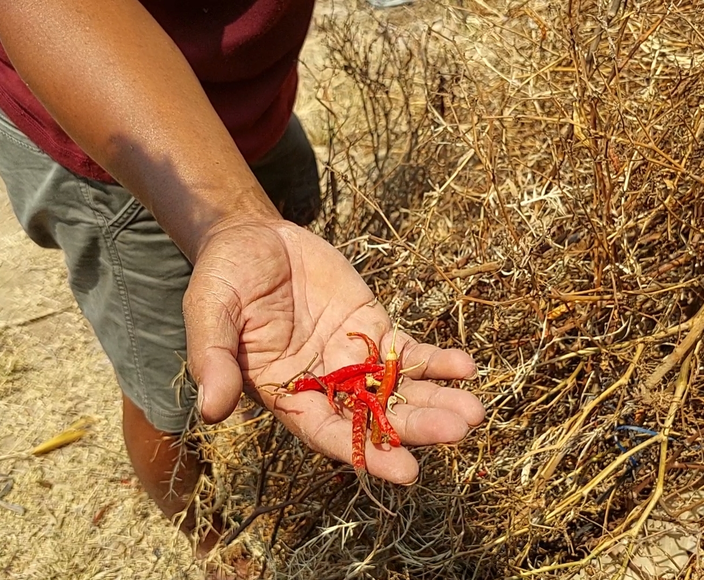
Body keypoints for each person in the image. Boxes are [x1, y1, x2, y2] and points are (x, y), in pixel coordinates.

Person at [0, 0, 485, 558]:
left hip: (253, 109)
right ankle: (215, 548)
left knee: (274, 304)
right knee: (168, 399)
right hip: (102, 129)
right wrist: (234, 220)